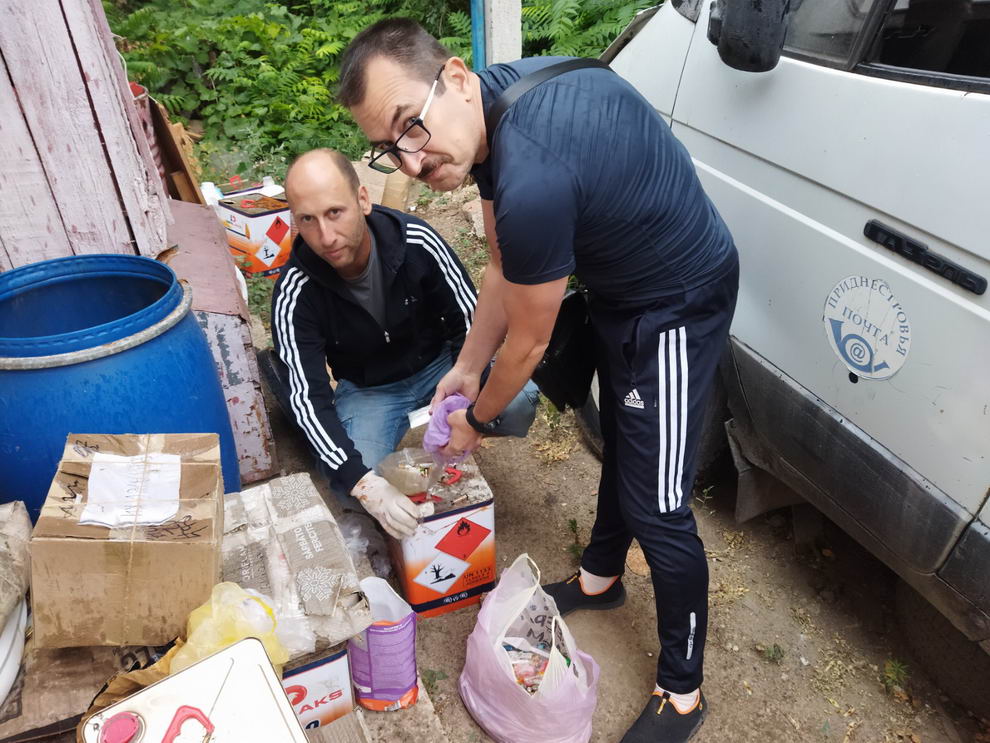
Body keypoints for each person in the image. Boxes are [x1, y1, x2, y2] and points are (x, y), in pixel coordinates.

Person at [337, 20, 739, 742]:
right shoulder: (491, 109)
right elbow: (501, 262)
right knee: (625, 440)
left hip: (676, 299)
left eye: (410, 127)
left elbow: (528, 343)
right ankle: (601, 578)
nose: (410, 160)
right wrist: (465, 367)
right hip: (621, 288)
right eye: (387, 148)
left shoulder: (533, 177)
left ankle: (683, 691)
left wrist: (475, 421)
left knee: (659, 503)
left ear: (455, 77)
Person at [268, 148, 537, 540]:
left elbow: (468, 320)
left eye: (335, 212)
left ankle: (447, 444)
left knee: (517, 401)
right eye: (308, 219)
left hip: (441, 368)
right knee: (349, 483)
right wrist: (365, 484)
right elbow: (306, 398)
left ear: (363, 200)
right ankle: (405, 465)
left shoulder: (416, 241)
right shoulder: (296, 292)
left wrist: (469, 411)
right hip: (370, 390)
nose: (325, 237)